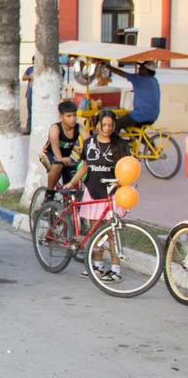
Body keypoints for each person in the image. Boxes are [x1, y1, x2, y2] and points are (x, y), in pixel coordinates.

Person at [66, 109, 131, 281]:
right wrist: (72, 182)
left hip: (112, 192)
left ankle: (116, 269)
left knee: (112, 232)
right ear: (98, 125)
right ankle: (98, 266)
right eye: (104, 125)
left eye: (111, 125)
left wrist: (122, 182)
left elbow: (128, 167)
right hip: (93, 191)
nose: (107, 128)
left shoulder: (121, 145)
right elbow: (85, 166)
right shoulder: (89, 143)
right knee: (96, 231)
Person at [109, 62, 161, 133]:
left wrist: (108, 67)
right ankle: (146, 141)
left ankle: (116, 140)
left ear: (146, 71)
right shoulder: (154, 80)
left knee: (116, 124)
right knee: (135, 133)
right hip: (153, 116)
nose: (139, 69)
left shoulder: (138, 79)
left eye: (141, 68)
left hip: (141, 115)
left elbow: (121, 73)